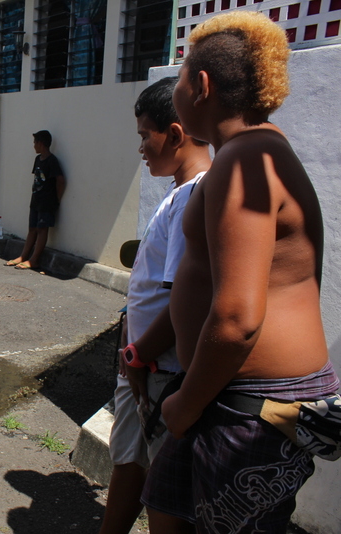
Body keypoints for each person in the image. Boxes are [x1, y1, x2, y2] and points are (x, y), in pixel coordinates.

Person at [135, 12, 339, 533]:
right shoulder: (255, 155)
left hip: (247, 404)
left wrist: (186, 403)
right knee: (166, 507)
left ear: (200, 87)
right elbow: (200, 285)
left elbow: (237, 318)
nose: (177, 87)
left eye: (181, 78)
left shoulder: (244, 163)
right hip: (222, 392)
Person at [98, 77, 211, 534]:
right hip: (146, 363)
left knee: (164, 487)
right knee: (130, 461)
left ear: (177, 134)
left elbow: (187, 299)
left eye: (146, 135)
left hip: (161, 370)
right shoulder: (178, 194)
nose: (142, 147)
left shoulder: (193, 197)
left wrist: (141, 353)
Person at [6, 130, 66, 270]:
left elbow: (60, 180)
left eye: (35, 143)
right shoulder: (38, 159)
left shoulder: (52, 161)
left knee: (42, 229)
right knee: (32, 229)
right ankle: (23, 256)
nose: (33, 146)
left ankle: (35, 259)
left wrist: (57, 198)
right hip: (36, 200)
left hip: (47, 202)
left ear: (41, 143)